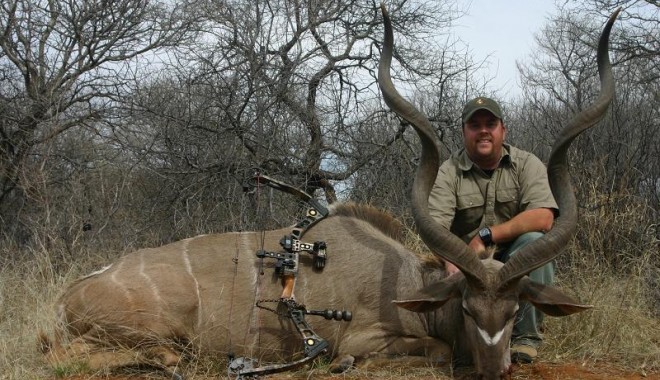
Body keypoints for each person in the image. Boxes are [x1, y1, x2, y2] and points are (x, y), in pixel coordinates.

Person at [428, 96, 558, 364]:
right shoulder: (448, 171)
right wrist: (452, 260)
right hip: (469, 269)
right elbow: (435, 227)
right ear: (464, 132)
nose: (483, 130)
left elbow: (544, 218)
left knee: (535, 242)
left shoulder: (526, 163)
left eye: (491, 123)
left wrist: (486, 236)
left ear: (503, 130)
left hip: (512, 266)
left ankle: (525, 338)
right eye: (474, 125)